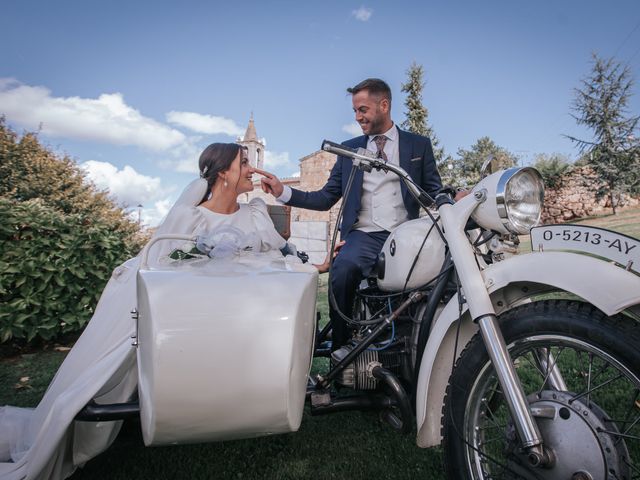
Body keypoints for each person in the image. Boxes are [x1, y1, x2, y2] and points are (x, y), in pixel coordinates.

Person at [0, 143, 302, 480]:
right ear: (222, 173)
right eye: (243, 163)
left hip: (239, 306)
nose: (252, 169)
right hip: (187, 303)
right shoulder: (190, 217)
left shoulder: (255, 213)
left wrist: (315, 264)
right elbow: (163, 264)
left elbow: (279, 254)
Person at [260, 78, 443, 349]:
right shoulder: (348, 150)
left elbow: (433, 190)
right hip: (364, 235)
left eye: (363, 110)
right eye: (355, 111)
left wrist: (451, 199)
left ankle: (419, 345)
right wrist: (282, 192)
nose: (358, 117)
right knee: (343, 269)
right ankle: (343, 349)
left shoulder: (418, 145)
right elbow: (324, 198)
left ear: (384, 105)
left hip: (407, 234)